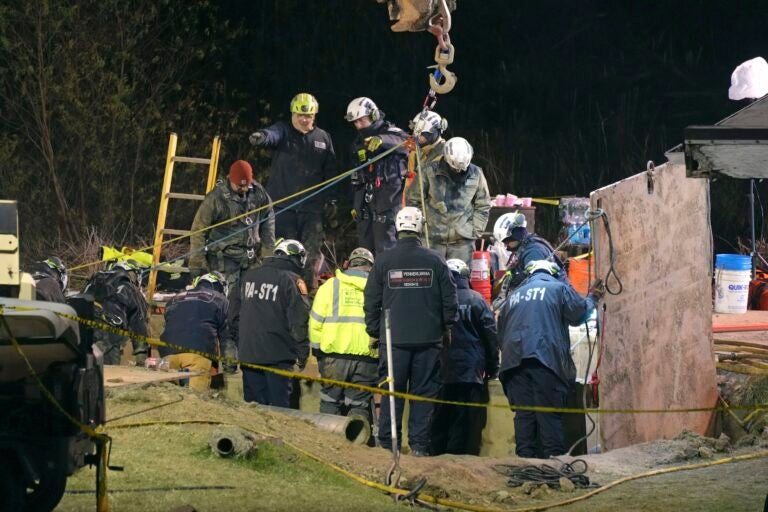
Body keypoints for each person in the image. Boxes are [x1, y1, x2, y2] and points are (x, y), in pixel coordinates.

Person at [364, 206, 458, 456]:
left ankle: (387, 445)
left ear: (397, 228)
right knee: (423, 395)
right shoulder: (435, 260)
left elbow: (371, 300)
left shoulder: (384, 260)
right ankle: (418, 446)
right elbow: (450, 301)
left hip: (393, 341)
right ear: (420, 228)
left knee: (391, 394)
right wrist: (446, 327)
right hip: (428, 341)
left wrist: (376, 332)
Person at [497, 260, 603, 458]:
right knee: (549, 417)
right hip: (544, 362)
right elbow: (578, 314)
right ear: (553, 273)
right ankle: (553, 469)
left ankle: (525, 468)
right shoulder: (558, 288)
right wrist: (593, 297)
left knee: (524, 417)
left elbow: (500, 336)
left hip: (513, 366)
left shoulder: (512, 299)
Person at [189, 160, 275, 372]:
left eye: (247, 185)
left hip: (251, 258)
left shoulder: (258, 193)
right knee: (229, 310)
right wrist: (197, 266)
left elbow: (268, 220)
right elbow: (198, 231)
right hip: (225, 260)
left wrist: (268, 255)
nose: (244, 190)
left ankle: (252, 354)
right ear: (231, 180)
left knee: (253, 306)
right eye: (240, 186)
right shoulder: (216, 198)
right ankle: (229, 361)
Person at [249, 93, 338, 291]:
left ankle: (304, 298)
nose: (304, 119)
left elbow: (331, 172)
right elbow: (272, 135)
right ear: (293, 114)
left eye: (308, 116)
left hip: (311, 212)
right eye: (300, 115)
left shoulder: (323, 138)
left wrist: (332, 200)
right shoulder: (284, 131)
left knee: (310, 257)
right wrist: (262, 137)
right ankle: (276, 293)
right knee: (280, 255)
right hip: (282, 209)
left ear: (314, 115)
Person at [432, 258, 499, 456]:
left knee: (440, 420)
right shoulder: (477, 300)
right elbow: (491, 337)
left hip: (440, 373)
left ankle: (436, 461)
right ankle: (462, 462)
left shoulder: (436, 301)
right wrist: (493, 367)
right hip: (471, 374)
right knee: (466, 424)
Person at [309, 247, 378, 424]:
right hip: (367, 360)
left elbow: (315, 322)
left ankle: (329, 444)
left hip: (333, 359)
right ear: (371, 266)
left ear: (349, 264)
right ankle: (357, 442)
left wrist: (318, 352)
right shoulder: (378, 289)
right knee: (360, 406)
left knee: (330, 403)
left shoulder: (330, 286)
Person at [238, 239, 310, 407]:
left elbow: (234, 314)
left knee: (253, 408)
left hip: (248, 352)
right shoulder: (292, 280)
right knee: (279, 410)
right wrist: (302, 353)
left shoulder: (249, 276)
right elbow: (299, 320)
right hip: (278, 355)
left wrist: (240, 343)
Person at [405, 136, 490, 264]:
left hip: (462, 243)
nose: (459, 171)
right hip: (432, 241)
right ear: (446, 158)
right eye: (455, 168)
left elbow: (483, 205)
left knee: (459, 281)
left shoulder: (476, 174)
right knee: (431, 280)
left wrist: (474, 230)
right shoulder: (428, 172)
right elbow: (413, 200)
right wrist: (422, 227)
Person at [346, 97, 409, 254]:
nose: (359, 126)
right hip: (365, 204)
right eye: (355, 122)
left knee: (386, 248)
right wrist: (355, 204)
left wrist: (382, 140)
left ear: (373, 115)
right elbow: (356, 175)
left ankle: (387, 278)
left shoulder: (392, 133)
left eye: (361, 120)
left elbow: (407, 142)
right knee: (364, 249)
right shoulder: (357, 142)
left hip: (388, 203)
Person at [158, 271, 229, 392]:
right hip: (197, 352)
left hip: (167, 353)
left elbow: (169, 323)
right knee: (196, 401)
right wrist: (229, 366)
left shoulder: (176, 298)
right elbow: (226, 338)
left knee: (167, 397)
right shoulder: (221, 300)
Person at [492, 211, 566, 309]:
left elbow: (537, 289)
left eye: (507, 241)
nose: (506, 246)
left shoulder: (534, 252)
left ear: (515, 235)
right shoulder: (525, 246)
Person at [83, 259, 149, 365]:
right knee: (106, 374)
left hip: (80, 327)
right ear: (134, 274)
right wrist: (141, 355)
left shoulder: (94, 281)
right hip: (107, 335)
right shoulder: (131, 288)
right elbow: (138, 324)